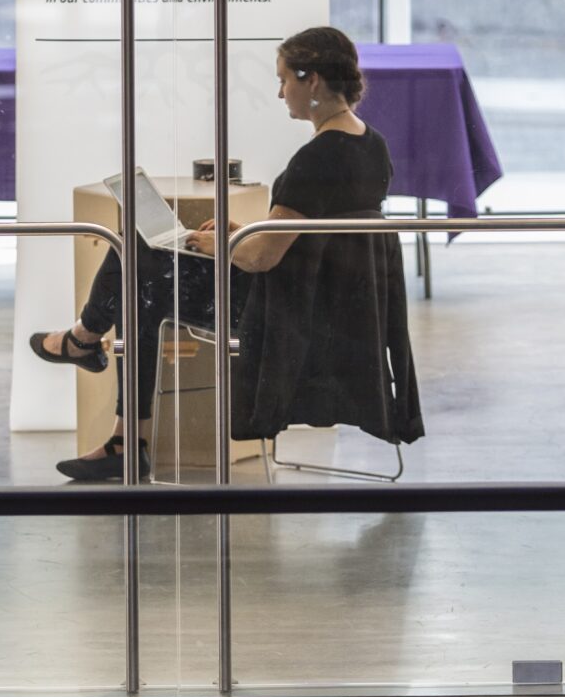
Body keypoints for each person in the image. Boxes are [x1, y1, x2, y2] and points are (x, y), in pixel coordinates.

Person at [29, 26, 423, 480]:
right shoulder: (370, 144)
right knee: (143, 273)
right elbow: (307, 237)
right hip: (326, 304)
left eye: (284, 80)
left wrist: (225, 244)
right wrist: (244, 230)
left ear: (311, 80)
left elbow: (262, 259)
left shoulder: (316, 158)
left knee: (138, 266)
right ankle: (113, 413)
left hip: (285, 311)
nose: (280, 94)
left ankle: (88, 355)